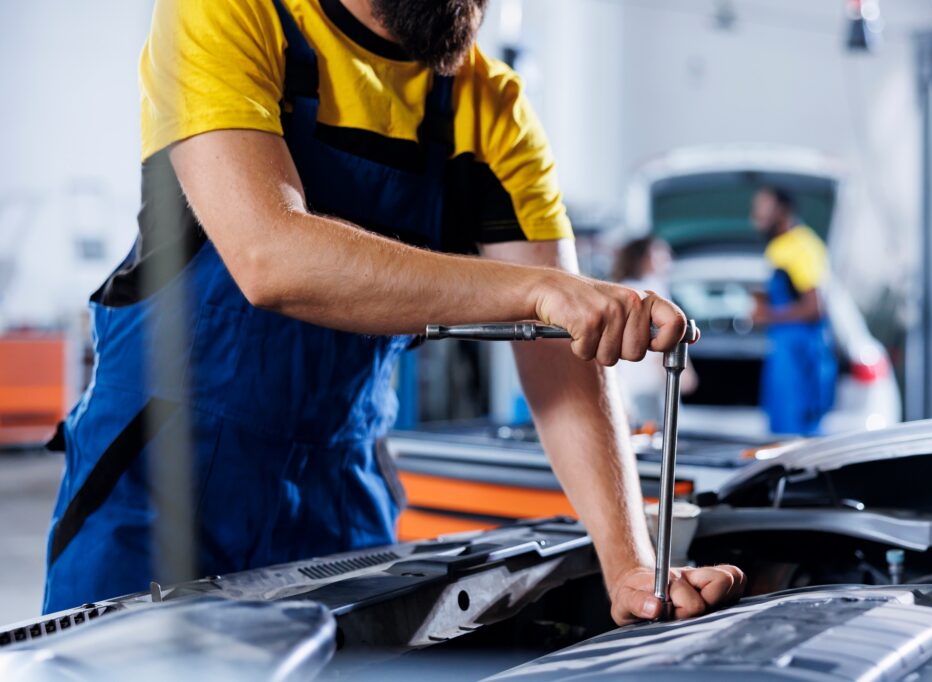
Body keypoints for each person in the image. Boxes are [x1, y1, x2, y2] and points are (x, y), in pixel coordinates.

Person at [42, 0, 745, 624]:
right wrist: (534, 292)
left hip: (338, 491)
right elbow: (268, 256)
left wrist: (627, 562)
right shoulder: (232, 12)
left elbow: (564, 349)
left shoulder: (489, 107)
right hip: (158, 478)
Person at [750, 187, 837, 436]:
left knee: (797, 436)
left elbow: (814, 307)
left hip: (801, 357)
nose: (756, 215)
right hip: (785, 354)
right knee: (781, 432)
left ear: (783, 210)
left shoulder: (802, 246)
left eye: (763, 207)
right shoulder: (779, 247)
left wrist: (767, 315)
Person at [611, 237, 697, 422]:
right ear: (645, 258)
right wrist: (684, 372)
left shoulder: (621, 288)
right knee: (660, 439)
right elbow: (665, 336)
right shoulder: (653, 290)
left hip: (628, 385)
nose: (669, 258)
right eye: (662, 253)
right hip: (652, 385)